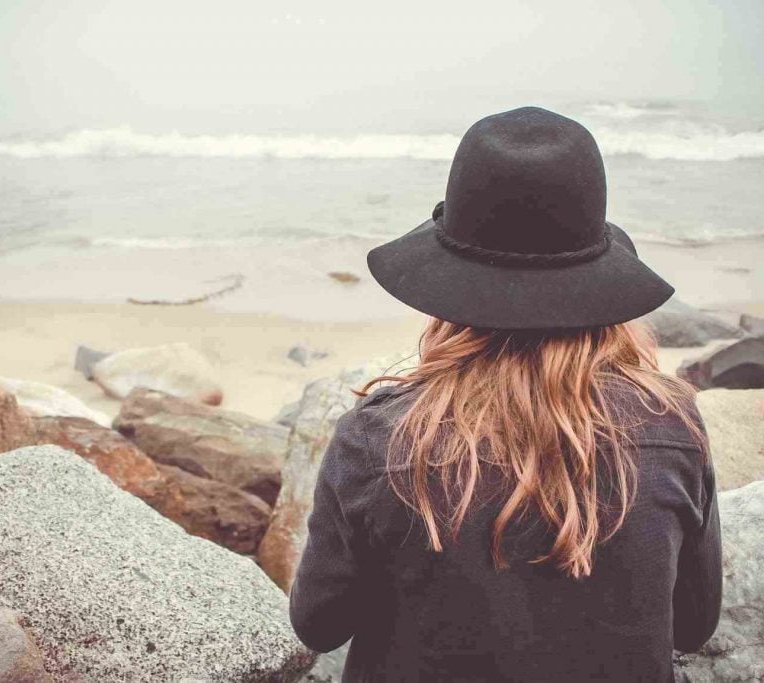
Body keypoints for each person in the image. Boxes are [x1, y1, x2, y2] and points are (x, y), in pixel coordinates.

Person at [287, 107, 722, 682]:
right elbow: (694, 624)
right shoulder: (670, 426)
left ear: (447, 284)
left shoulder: (379, 437)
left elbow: (318, 623)